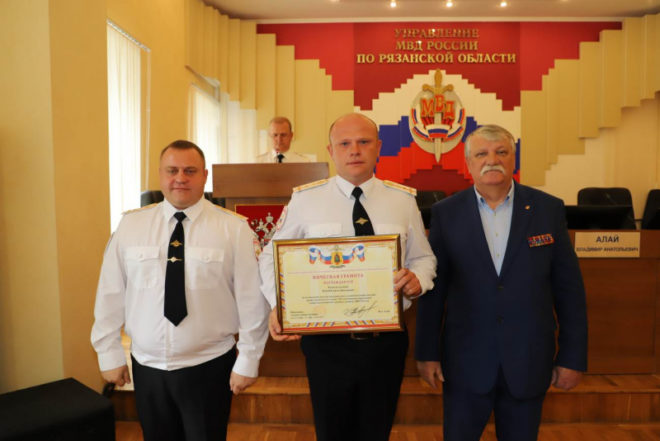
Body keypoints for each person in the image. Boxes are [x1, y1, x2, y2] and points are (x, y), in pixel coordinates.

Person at [259, 113, 437, 441]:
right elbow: (271, 256)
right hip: (326, 344)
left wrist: (418, 279)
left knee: (376, 431)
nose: (354, 150)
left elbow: (424, 257)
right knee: (332, 432)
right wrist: (278, 303)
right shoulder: (306, 199)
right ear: (331, 151)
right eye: (344, 144)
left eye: (363, 142)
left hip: (386, 342)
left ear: (378, 147)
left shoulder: (402, 200)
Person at [415, 125, 588, 441]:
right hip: (465, 363)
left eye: (501, 152)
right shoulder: (446, 213)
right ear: (469, 163)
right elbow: (434, 291)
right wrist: (427, 353)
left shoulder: (547, 209)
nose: (491, 160)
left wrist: (572, 357)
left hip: (528, 361)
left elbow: (569, 291)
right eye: (482, 154)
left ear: (513, 159)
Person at [91, 140, 270, 441]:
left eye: (190, 171)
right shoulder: (130, 226)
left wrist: (249, 359)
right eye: (172, 170)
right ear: (160, 174)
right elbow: (110, 293)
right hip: (147, 367)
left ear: (204, 176)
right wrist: (108, 352)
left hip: (209, 365)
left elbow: (252, 300)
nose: (180, 178)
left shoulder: (233, 228)